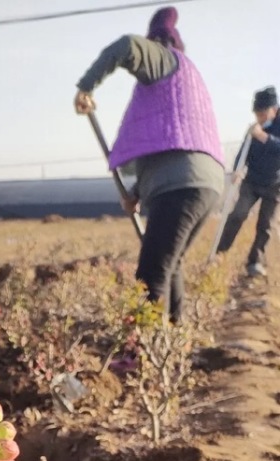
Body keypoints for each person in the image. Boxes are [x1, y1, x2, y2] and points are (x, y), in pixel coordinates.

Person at [74, 6, 224, 322]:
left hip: (181, 184)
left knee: (151, 271)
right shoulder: (187, 80)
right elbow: (170, 144)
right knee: (171, 264)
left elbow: (127, 46)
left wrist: (86, 86)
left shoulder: (163, 59)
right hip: (205, 183)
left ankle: (147, 349)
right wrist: (136, 192)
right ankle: (172, 342)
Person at [216, 87, 280, 278]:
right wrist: (238, 169)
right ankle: (219, 253)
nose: (259, 117)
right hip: (252, 181)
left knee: (265, 225)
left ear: (273, 109)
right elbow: (243, 151)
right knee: (237, 214)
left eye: (262, 113)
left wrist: (265, 137)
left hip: (275, 183)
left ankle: (255, 262)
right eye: (257, 113)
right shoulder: (253, 128)